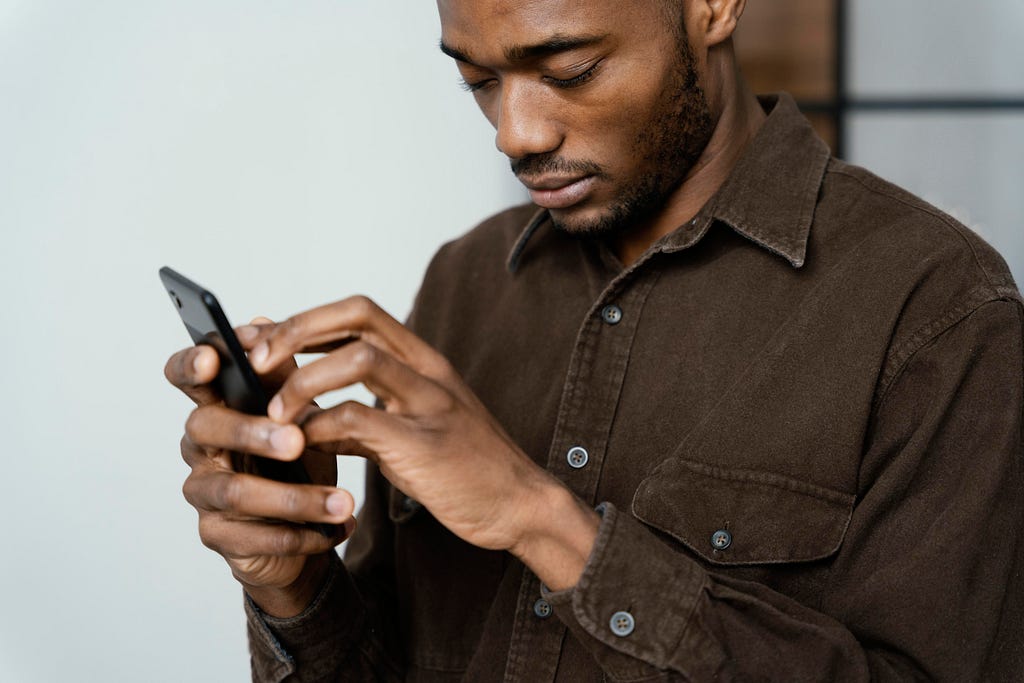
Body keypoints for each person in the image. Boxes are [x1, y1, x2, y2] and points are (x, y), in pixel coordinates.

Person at [164, 1, 1024, 680]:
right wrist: (295, 585)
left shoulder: (939, 310)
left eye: (570, 71)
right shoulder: (466, 281)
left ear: (713, 6)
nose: (516, 134)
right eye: (477, 81)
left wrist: (545, 522)